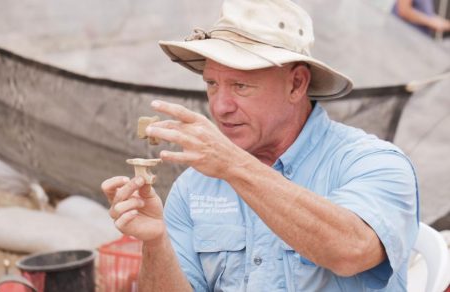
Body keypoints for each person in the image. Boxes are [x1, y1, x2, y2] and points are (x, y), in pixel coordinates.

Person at [102, 0, 419, 290]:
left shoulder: (373, 162)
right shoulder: (195, 186)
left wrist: (233, 166)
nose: (220, 106)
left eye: (241, 86)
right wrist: (156, 242)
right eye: (212, 84)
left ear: (296, 84)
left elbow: (351, 251)